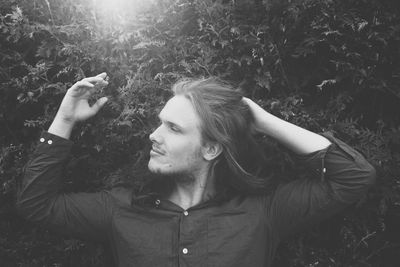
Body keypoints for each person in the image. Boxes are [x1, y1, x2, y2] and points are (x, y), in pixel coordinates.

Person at [17, 73, 376, 267]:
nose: (152, 136)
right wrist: (64, 119)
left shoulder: (263, 213)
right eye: (160, 123)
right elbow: (36, 205)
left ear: (211, 148)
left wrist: (262, 120)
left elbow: (354, 177)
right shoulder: (120, 209)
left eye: (173, 128)